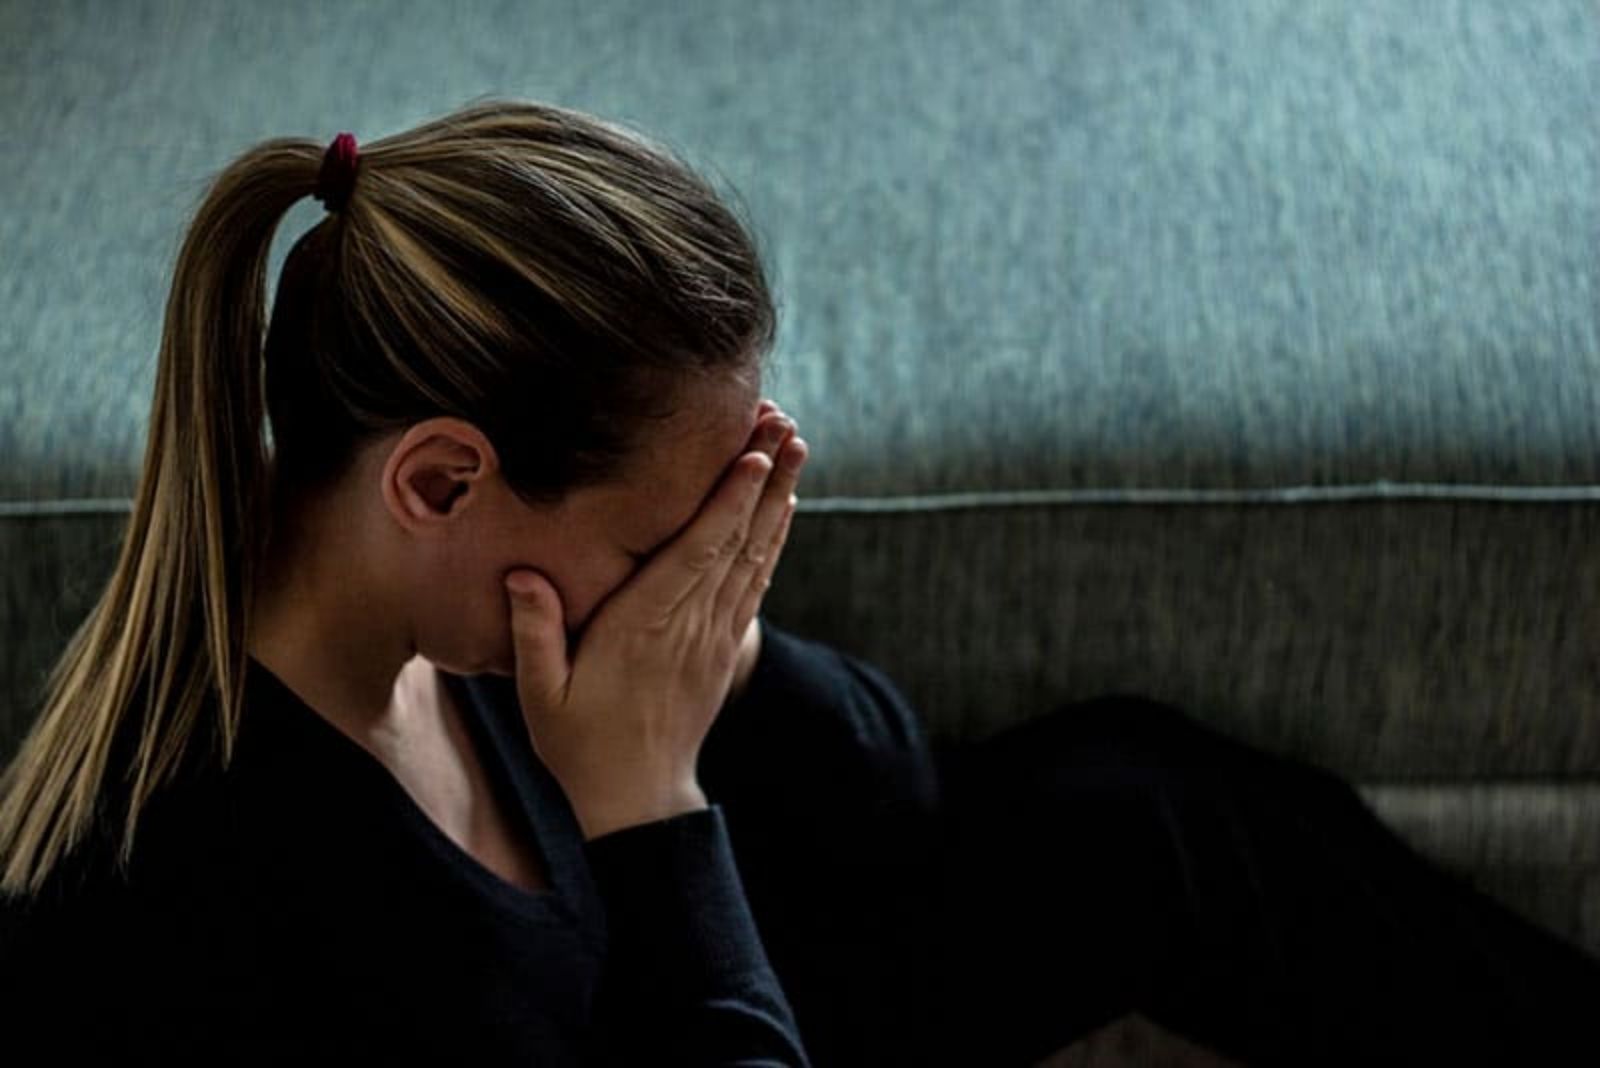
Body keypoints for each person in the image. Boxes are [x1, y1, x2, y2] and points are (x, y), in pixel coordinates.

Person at [2, 96, 1597, 1067]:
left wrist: (738, 651)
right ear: (439, 481)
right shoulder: (193, 905)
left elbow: (899, 801)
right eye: (659, 545)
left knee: (1138, 805)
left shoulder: (439, 608)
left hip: (675, 979)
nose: (685, 579)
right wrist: (648, 812)